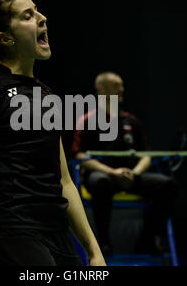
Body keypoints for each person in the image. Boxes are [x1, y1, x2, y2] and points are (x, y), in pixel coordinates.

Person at [0, 0, 105, 266]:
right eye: (28, 16)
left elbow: (64, 181)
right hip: (12, 229)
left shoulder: (48, 97)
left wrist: (93, 250)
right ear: (6, 38)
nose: (42, 18)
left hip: (56, 231)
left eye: (38, 11)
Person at [71, 72, 178, 255]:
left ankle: (147, 241)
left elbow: (146, 155)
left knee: (167, 185)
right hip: (103, 177)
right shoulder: (87, 120)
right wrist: (113, 173)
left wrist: (135, 173)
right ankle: (103, 243)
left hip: (131, 176)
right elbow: (80, 156)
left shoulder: (132, 121)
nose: (122, 89)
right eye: (116, 85)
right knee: (101, 182)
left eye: (121, 85)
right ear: (101, 89)